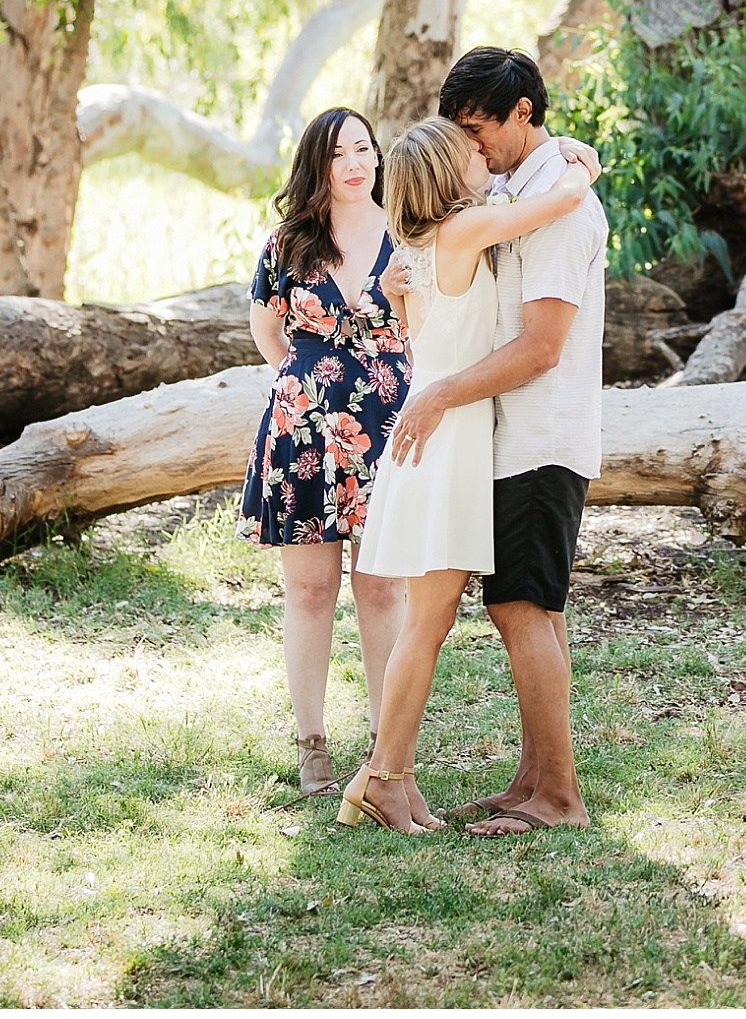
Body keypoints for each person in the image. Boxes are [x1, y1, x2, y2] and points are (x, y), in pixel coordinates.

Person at [341, 118, 600, 835]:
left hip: (446, 437)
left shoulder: (416, 248)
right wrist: (582, 169)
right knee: (425, 623)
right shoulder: (460, 232)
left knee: (427, 622)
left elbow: (420, 323)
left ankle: (390, 777)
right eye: (467, 153)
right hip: (446, 441)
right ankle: (385, 778)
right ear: (446, 177)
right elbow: (546, 208)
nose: (480, 155)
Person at [239, 107, 410, 795]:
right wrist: (312, 384)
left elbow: (432, 324)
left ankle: (384, 741)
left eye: (364, 148)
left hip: (391, 429)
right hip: (304, 434)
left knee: (382, 585)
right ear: (319, 162)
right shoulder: (288, 242)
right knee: (310, 590)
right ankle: (312, 743)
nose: (355, 163)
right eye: (339, 153)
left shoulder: (409, 233)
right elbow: (266, 332)